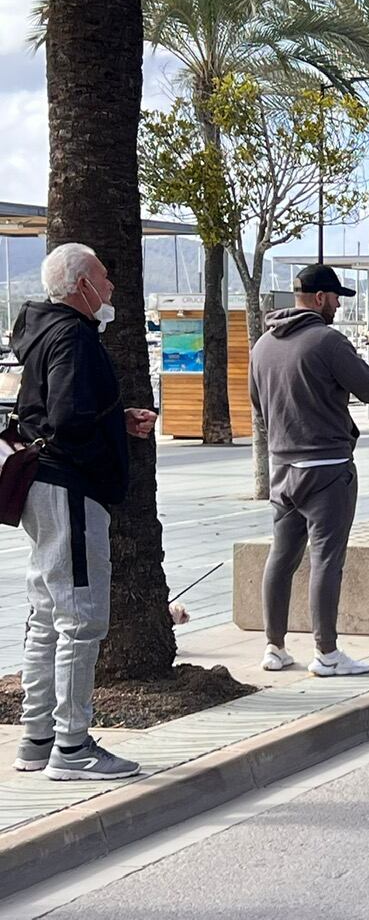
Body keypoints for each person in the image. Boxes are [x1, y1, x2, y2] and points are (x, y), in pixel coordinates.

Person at [10, 243, 157, 780]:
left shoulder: (44, 329)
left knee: (46, 613)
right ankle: (72, 747)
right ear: (80, 285)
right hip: (69, 487)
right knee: (81, 617)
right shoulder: (74, 336)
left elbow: (51, 409)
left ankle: (37, 737)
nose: (110, 285)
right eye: (102, 276)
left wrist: (116, 420)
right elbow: (69, 416)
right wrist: (101, 453)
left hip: (44, 486)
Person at [250, 263, 369, 676]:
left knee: (281, 558)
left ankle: (274, 648)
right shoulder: (328, 341)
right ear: (318, 298)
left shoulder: (262, 346)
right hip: (328, 470)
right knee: (327, 559)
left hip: (283, 469)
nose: (337, 306)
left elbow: (258, 406)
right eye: (335, 298)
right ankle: (327, 654)